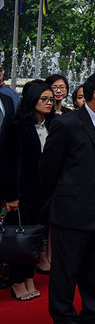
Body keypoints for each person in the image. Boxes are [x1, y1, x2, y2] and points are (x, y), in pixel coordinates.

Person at [39, 72, 95, 324]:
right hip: (72, 208)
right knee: (66, 269)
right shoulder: (67, 124)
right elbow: (48, 170)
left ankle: (94, 313)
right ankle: (65, 322)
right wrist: (57, 202)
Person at [2, 81, 54, 301]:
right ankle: (17, 280)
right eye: (44, 99)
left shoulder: (51, 124)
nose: (49, 103)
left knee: (35, 237)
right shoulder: (17, 125)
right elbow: (10, 163)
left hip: (44, 193)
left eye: (51, 99)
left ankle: (29, 277)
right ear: (32, 99)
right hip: (22, 193)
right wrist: (11, 195)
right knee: (20, 237)